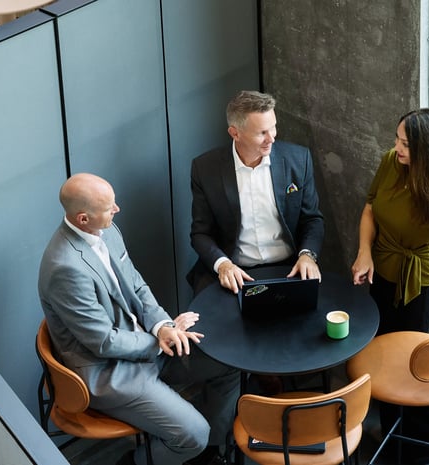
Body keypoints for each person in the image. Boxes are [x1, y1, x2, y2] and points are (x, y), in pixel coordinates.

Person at [38, 173, 239, 465]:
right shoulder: (64, 269)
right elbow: (104, 342)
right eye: (109, 208)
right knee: (194, 433)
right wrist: (158, 343)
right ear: (83, 219)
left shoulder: (107, 231)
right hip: (110, 371)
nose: (117, 210)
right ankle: (139, 461)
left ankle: (205, 453)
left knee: (227, 362)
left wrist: (164, 326)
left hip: (146, 342)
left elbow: (137, 286)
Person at [350, 108, 429, 464]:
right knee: (382, 350)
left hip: (419, 279)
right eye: (397, 139)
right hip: (383, 270)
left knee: (407, 361)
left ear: (426, 150)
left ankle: (420, 440)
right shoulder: (391, 162)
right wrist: (364, 253)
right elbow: (370, 209)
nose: (396, 147)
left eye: (405, 144)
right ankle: (393, 429)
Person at [188, 90, 325, 296]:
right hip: (234, 271)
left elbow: (312, 219)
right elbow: (200, 233)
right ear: (235, 133)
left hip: (288, 268)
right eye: (262, 133)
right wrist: (223, 265)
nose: (272, 138)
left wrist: (307, 255)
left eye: (273, 128)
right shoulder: (205, 168)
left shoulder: (299, 159)